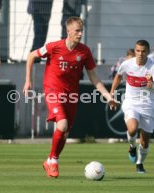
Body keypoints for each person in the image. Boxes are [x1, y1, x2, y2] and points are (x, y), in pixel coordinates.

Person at [23, 16, 118, 178]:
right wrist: (28, 80)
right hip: (52, 90)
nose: (80, 34)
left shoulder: (84, 52)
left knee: (65, 132)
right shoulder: (54, 47)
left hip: (71, 95)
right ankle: (53, 160)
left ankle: (50, 160)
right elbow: (32, 56)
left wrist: (107, 95)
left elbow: (94, 77)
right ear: (68, 32)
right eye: (77, 31)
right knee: (62, 124)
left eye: (81, 31)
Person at [110, 40, 154, 173]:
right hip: (131, 103)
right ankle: (132, 146)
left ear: (148, 52)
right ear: (135, 51)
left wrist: (153, 87)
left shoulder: (152, 67)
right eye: (138, 51)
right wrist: (111, 93)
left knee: (145, 141)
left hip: (148, 106)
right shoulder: (127, 64)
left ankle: (139, 164)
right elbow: (118, 76)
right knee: (132, 129)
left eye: (143, 51)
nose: (140, 54)